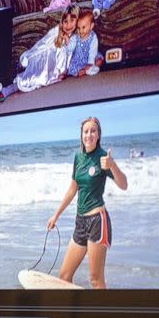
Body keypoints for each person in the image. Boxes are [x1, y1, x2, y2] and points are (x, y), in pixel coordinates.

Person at [47, 117, 127, 289]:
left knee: (96, 280)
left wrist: (112, 165)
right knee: (64, 276)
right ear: (81, 135)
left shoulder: (103, 158)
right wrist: (56, 215)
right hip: (81, 222)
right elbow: (72, 189)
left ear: (98, 135)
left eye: (93, 131)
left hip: (97, 221)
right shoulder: (78, 157)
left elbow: (124, 185)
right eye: (86, 131)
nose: (89, 135)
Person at [0, 4, 80, 105]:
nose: (68, 25)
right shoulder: (57, 30)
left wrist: (63, 70)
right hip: (38, 58)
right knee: (22, 69)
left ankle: (5, 90)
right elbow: (44, 43)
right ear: (62, 21)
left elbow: (68, 55)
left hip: (49, 68)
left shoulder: (74, 38)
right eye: (65, 21)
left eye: (72, 21)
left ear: (77, 21)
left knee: (30, 79)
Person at [67, 8, 99, 77]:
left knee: (99, 59)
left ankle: (92, 67)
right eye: (78, 28)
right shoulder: (75, 37)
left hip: (90, 57)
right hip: (78, 60)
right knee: (71, 67)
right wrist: (68, 44)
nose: (81, 31)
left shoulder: (93, 37)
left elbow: (93, 51)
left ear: (91, 26)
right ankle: (84, 71)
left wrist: (90, 63)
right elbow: (69, 49)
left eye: (83, 27)